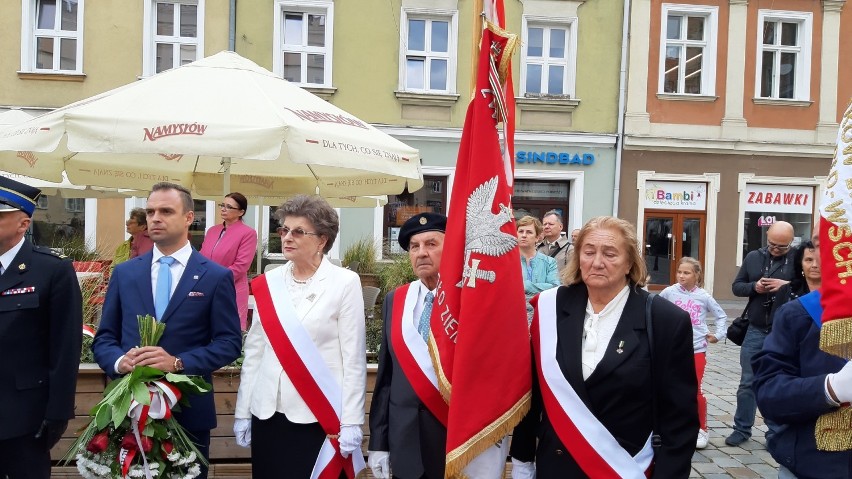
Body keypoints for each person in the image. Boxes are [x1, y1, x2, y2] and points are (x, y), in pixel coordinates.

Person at [511, 216, 698, 478]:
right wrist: (522, 460)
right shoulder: (550, 307)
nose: (597, 262)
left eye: (610, 254)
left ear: (630, 262)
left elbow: (679, 420)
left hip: (624, 467)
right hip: (556, 466)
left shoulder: (665, 320)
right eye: (588, 252)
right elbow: (531, 398)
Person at [93, 182, 242, 479]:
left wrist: (178, 363)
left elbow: (229, 343)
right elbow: (105, 338)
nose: (155, 218)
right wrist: (121, 362)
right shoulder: (125, 273)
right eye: (150, 211)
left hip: (188, 417)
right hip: (127, 414)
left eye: (165, 211)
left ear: (189, 217)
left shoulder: (215, 276)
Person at [234, 195, 366, 479]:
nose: (287, 237)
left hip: (317, 416)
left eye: (298, 231)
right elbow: (255, 353)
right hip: (267, 414)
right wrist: (243, 411)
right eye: (284, 230)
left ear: (322, 240)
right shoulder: (268, 282)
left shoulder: (344, 282)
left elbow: (353, 359)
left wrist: (353, 421)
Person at [368, 212, 508, 479]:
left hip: (458, 447)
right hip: (405, 447)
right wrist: (379, 443)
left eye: (431, 244)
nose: (421, 253)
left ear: (453, 248)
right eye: (414, 247)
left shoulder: (474, 301)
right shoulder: (395, 300)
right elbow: (386, 379)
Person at [753, 222, 852, 479]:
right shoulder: (798, 314)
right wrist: (829, 389)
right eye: (820, 244)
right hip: (811, 464)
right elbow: (769, 395)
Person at [0, 176, 82, 479]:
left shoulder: (51, 270)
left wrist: (58, 412)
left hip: (24, 418)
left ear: (23, 224)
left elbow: (65, 347)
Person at [728, 221, 795, 446]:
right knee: (747, 382)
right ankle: (741, 429)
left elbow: (808, 288)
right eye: (772, 244)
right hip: (755, 328)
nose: (775, 250)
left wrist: (786, 285)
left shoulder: (798, 258)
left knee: (779, 382)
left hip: (784, 331)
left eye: (782, 247)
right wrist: (754, 287)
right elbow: (737, 287)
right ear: (767, 237)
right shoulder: (754, 257)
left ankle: (775, 432)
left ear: (791, 243)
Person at [659, 257, 728, 449]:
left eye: (686, 273)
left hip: (696, 348)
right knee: (669, 387)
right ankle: (672, 425)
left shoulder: (704, 296)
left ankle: (701, 429)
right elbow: (654, 308)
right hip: (673, 348)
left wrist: (718, 334)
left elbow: (721, 316)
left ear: (696, 275)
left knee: (695, 389)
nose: (682, 276)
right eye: (679, 272)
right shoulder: (669, 292)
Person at [199, 192, 258, 330]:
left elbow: (241, 266)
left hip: (232, 288)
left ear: (241, 212)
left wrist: (215, 278)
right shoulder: (212, 230)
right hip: (207, 287)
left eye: (229, 207)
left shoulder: (248, 233)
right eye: (222, 205)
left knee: (228, 330)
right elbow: (201, 257)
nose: (223, 209)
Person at [518, 215, 560, 323]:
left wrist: (524, 285)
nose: (524, 235)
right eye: (521, 231)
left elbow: (554, 287)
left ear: (537, 237)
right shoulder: (507, 262)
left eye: (529, 232)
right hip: (515, 313)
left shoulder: (549, 262)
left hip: (541, 314)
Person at [770, 240, 821, 314]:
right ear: (800, 264)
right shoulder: (787, 291)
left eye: (820, 260)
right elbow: (774, 323)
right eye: (809, 260)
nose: (814, 265)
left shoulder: (836, 293)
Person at [112, 207, 153, 271]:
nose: (127, 224)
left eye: (131, 222)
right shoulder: (122, 246)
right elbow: (113, 267)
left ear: (143, 227)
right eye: (127, 222)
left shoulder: (151, 244)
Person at [537, 210, 570, 277]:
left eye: (551, 224)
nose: (546, 227)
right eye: (544, 224)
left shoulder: (570, 249)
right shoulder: (537, 248)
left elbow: (572, 275)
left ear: (561, 227)